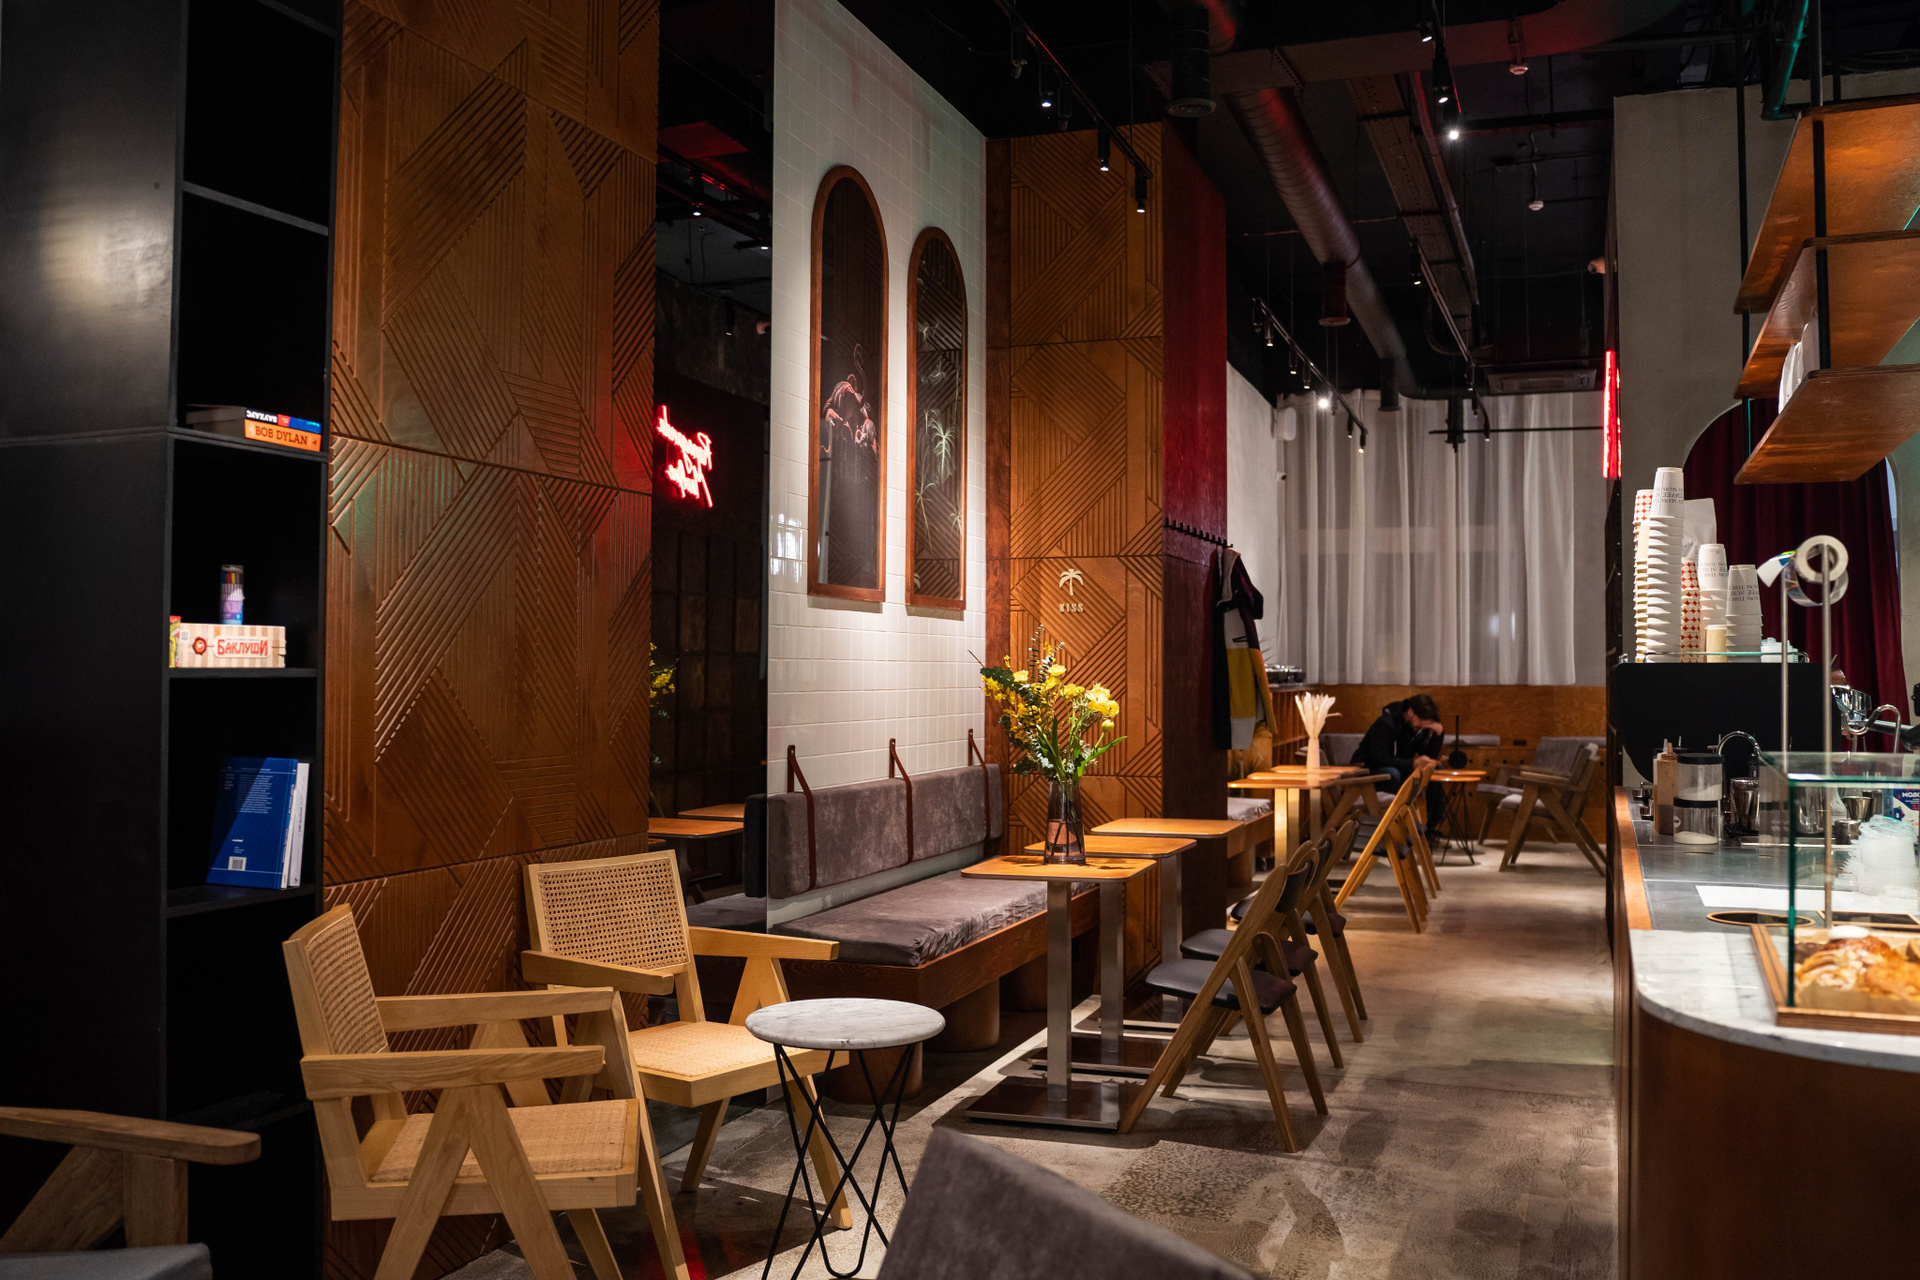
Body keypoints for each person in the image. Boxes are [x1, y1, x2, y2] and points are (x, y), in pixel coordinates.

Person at [1351, 694, 1446, 828]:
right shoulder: (1385, 724)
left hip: (1397, 769)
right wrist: (1412, 764)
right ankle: (1394, 825)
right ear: (1410, 712)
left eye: (1426, 724)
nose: (1422, 725)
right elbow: (1379, 758)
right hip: (1368, 771)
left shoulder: (1419, 728)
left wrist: (1438, 735)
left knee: (1434, 770)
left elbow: (1429, 755)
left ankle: (1430, 828)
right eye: (1421, 720)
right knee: (1392, 774)